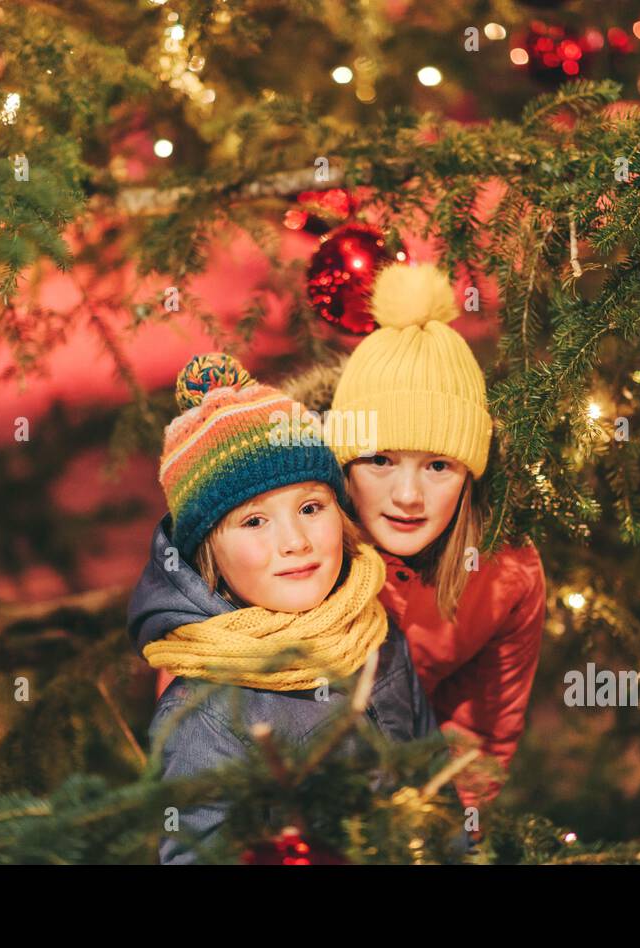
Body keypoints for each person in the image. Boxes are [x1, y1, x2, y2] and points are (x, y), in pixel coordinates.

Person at [126, 353, 445, 864]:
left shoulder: (374, 632)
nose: (294, 541)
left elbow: (436, 786)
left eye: (311, 508)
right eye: (254, 522)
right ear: (209, 553)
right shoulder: (206, 717)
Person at [324, 261, 548, 826]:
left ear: (470, 473)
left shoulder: (505, 576)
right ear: (345, 465)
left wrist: (430, 834)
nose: (407, 496)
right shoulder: (298, 544)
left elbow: (478, 732)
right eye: (380, 460)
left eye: (438, 466)